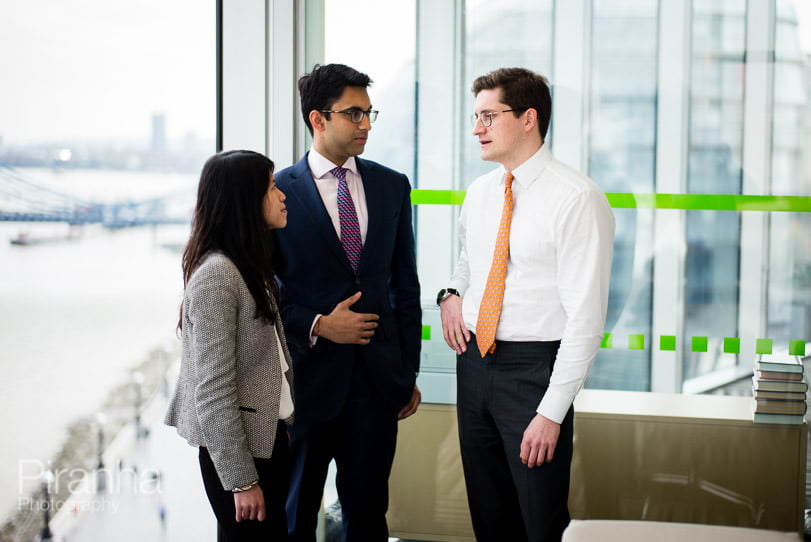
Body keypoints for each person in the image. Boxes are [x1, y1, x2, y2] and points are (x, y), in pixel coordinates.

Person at [438, 68, 615, 542]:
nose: (477, 128)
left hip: (534, 372)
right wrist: (451, 294)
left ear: (528, 118)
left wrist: (552, 411)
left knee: (540, 521)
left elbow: (586, 318)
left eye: (488, 116)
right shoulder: (480, 193)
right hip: (473, 365)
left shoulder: (577, 199)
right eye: (476, 117)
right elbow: (468, 261)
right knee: (488, 515)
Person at [272, 63, 422, 541]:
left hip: (378, 389)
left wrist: (406, 375)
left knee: (369, 516)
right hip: (306, 387)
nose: (366, 125)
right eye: (354, 113)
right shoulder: (275, 192)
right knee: (295, 519)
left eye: (369, 112)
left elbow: (406, 287)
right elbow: (265, 296)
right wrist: (317, 324)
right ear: (318, 119)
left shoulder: (391, 185)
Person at [164, 150, 294, 541]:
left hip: (266, 436)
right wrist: (240, 481)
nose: (282, 195)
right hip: (242, 452)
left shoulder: (249, 265)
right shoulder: (218, 276)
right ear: (245, 200)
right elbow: (213, 390)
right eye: (272, 187)